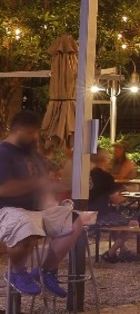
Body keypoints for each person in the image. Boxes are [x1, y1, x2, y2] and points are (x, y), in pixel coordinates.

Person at [0, 110, 84, 298]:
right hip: (7, 211)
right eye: (31, 132)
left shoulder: (33, 154)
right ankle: (16, 272)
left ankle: (46, 270)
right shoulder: (3, 153)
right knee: (26, 224)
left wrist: (53, 188)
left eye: (36, 132)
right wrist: (36, 183)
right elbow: (3, 188)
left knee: (74, 221)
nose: (35, 137)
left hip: (36, 210)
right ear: (17, 130)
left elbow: (43, 182)